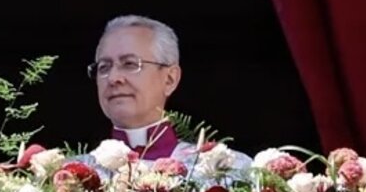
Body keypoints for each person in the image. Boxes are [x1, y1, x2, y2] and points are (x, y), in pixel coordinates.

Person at [87, 14, 249, 171]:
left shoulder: (226, 171)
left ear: (170, 79)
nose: (113, 78)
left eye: (129, 64)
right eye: (104, 67)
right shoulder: (72, 178)